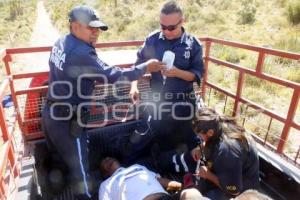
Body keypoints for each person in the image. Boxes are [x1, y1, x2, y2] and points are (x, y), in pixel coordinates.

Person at [42, 5, 164, 199]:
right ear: (75, 26)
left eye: (98, 28)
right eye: (91, 28)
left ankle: (57, 187)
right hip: (67, 121)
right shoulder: (82, 52)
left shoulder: (60, 41)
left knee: (57, 157)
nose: (96, 32)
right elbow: (114, 76)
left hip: (50, 113)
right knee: (81, 172)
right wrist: (145, 67)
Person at [129, 0, 204, 159]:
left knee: (184, 138)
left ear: (182, 22)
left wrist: (177, 72)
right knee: (158, 136)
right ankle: (160, 167)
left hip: (183, 101)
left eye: (172, 27)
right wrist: (133, 87)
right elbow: (138, 65)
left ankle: (184, 171)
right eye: (163, 27)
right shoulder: (153, 39)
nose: (167, 31)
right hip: (158, 99)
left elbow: (196, 75)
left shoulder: (193, 44)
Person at [190, 108, 260, 200]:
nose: (200, 138)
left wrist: (208, 175)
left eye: (200, 136)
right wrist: (201, 147)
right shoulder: (221, 124)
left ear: (210, 132)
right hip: (236, 175)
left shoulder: (227, 150)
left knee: (204, 196)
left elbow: (234, 190)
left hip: (242, 192)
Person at [98, 157, 182, 200]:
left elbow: (160, 181)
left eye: (109, 158)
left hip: (166, 198)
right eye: (104, 162)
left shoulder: (137, 166)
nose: (107, 159)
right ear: (104, 174)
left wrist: (182, 187)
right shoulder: (106, 184)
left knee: (191, 194)